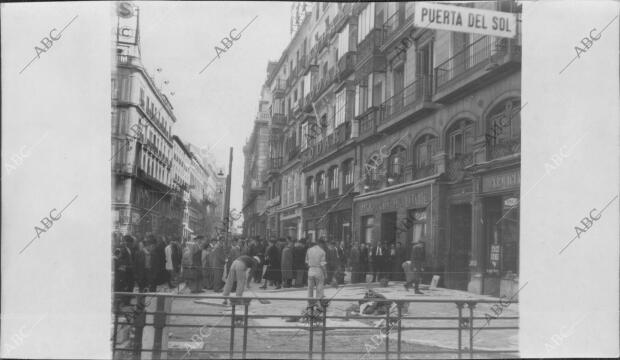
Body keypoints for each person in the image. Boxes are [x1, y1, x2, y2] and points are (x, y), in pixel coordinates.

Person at [306, 239, 327, 306]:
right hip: (318, 270)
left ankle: (310, 303)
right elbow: (322, 264)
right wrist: (325, 273)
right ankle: (319, 303)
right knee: (319, 287)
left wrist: (311, 265)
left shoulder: (309, 250)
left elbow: (306, 261)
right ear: (321, 244)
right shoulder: (322, 251)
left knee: (310, 288)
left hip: (310, 270)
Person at [117, 235, 136, 303]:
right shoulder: (124, 250)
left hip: (130, 270)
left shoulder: (130, 249)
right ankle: (126, 301)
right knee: (128, 286)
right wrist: (126, 265)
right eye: (131, 243)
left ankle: (127, 301)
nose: (131, 244)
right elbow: (120, 260)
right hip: (126, 271)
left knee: (131, 285)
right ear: (129, 242)